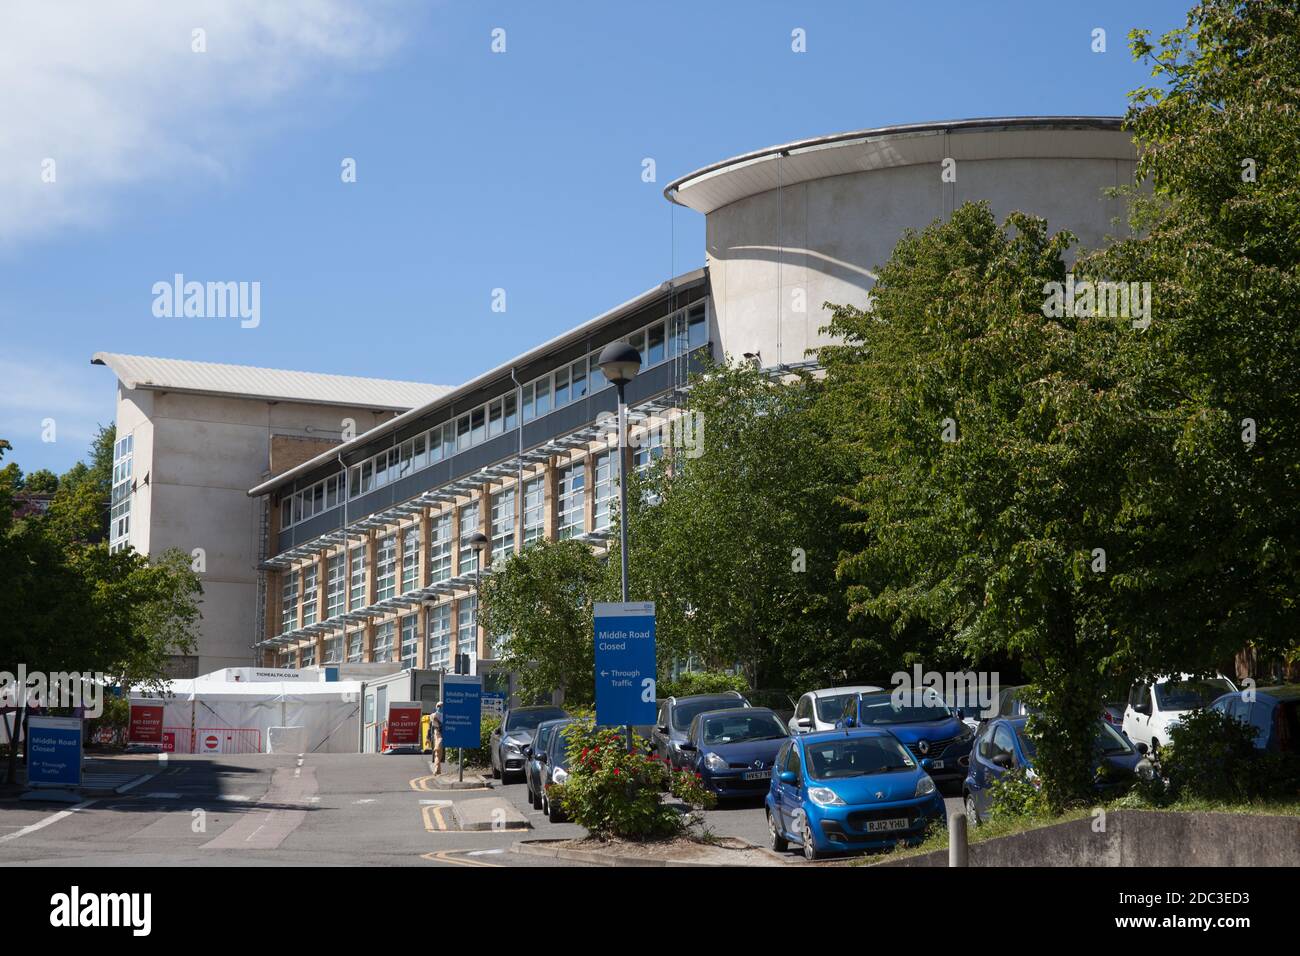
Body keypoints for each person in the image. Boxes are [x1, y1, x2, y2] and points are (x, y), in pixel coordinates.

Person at [430, 701, 445, 775]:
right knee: (438, 752)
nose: (440, 707)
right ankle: (437, 770)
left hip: (445, 733)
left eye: (441, 706)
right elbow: (431, 727)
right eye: (438, 706)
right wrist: (428, 737)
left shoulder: (445, 715)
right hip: (437, 733)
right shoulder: (433, 715)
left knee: (440, 753)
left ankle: (437, 770)